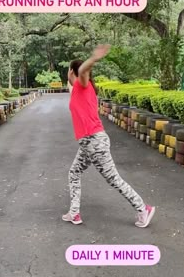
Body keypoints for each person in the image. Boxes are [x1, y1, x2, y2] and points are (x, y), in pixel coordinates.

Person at [62, 44, 155, 228]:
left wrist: (93, 59)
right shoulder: (77, 92)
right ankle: (74, 213)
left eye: (68, 71)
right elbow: (72, 85)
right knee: (74, 172)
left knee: (114, 179)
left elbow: (82, 70)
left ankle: (143, 208)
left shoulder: (84, 85)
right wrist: (72, 77)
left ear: (73, 72)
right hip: (88, 143)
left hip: (94, 142)